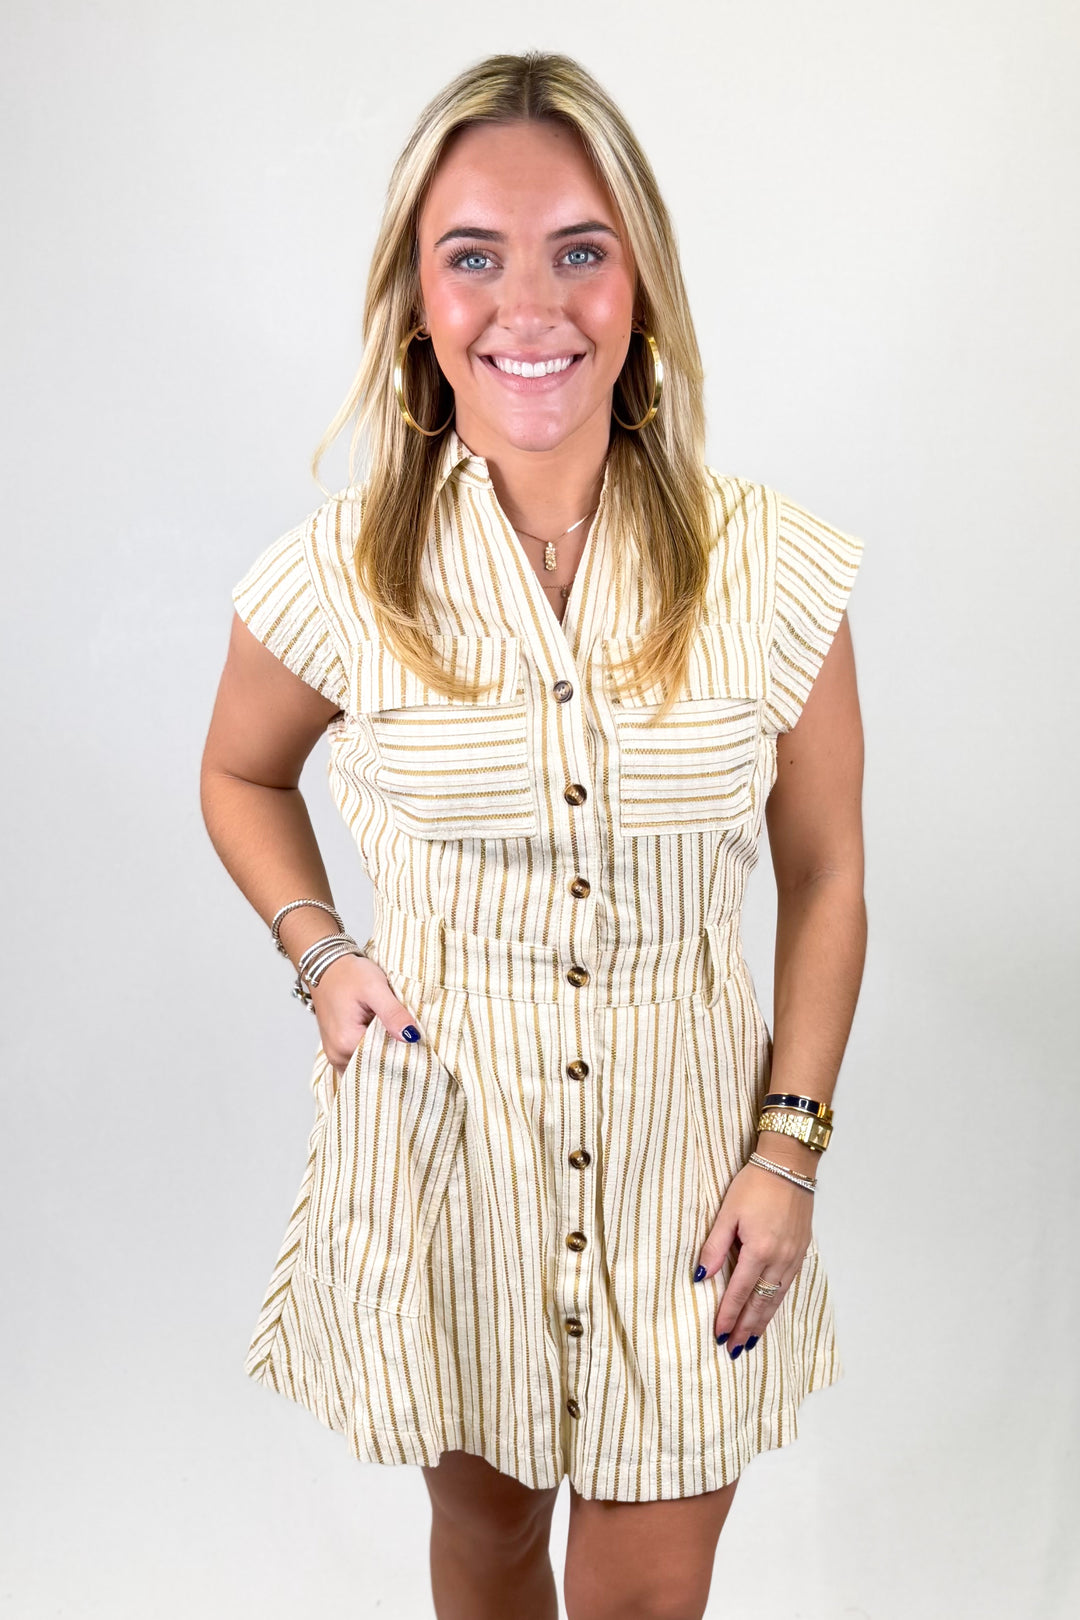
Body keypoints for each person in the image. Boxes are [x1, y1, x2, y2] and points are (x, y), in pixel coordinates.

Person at [201, 49, 867, 1620]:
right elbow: (239, 777)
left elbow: (829, 871)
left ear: (640, 280)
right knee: (490, 1555)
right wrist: (321, 955)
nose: (532, 304)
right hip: (452, 1168)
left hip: (693, 1182)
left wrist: (792, 1147)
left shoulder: (774, 570)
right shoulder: (346, 575)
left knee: (644, 1597)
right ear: (418, 298)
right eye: (474, 255)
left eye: (580, 248)